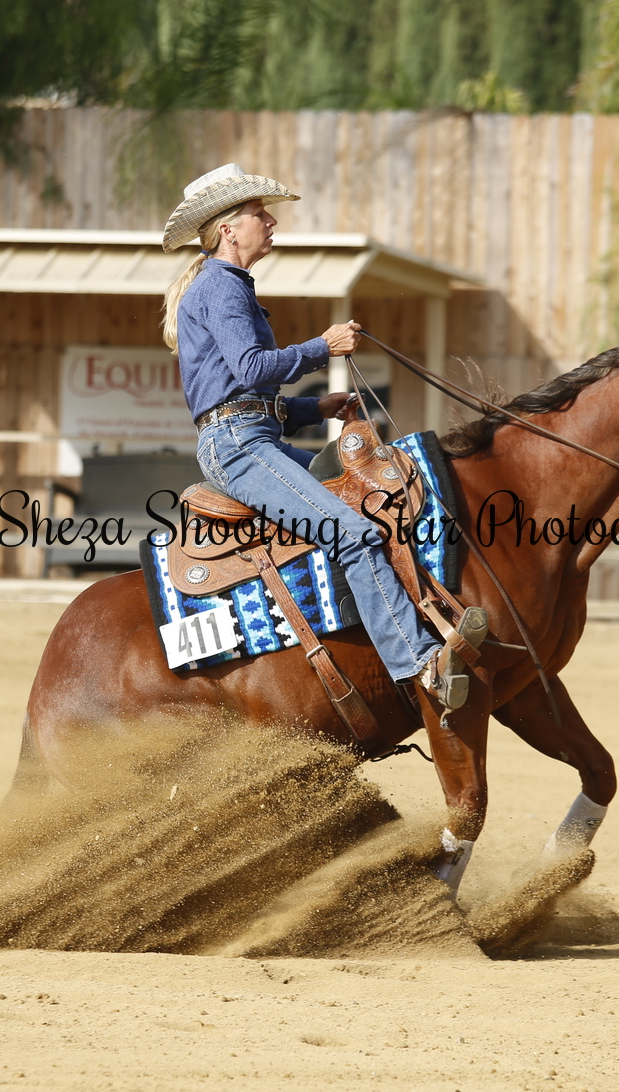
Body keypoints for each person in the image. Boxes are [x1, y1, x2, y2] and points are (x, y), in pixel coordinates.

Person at [160, 163, 474, 709]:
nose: (271, 221)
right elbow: (252, 370)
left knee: (366, 503)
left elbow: (242, 399)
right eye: (259, 213)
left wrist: (315, 408)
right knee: (352, 533)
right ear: (228, 229)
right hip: (239, 448)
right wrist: (321, 347)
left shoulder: (221, 286)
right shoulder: (222, 286)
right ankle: (418, 662)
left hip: (244, 438)